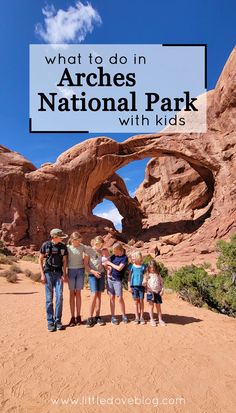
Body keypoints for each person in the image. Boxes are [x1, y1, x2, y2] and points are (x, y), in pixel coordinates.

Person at [39, 228, 68, 332]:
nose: (62, 238)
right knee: (49, 298)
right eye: (61, 236)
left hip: (59, 274)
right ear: (55, 237)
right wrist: (42, 275)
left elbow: (64, 261)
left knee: (59, 297)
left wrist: (64, 274)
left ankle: (58, 320)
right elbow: (40, 259)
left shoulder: (63, 246)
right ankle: (50, 321)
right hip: (48, 274)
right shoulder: (45, 245)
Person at [67, 232, 88, 327]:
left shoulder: (82, 246)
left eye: (79, 240)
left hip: (80, 271)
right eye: (76, 240)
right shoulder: (68, 248)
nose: (78, 242)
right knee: (72, 293)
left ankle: (78, 316)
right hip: (71, 271)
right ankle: (72, 317)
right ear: (72, 240)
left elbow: (91, 252)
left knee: (78, 293)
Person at [104, 242, 128, 325]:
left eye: (114, 251)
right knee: (112, 297)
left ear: (119, 250)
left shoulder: (124, 258)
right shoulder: (113, 256)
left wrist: (110, 263)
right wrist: (107, 268)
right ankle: (113, 316)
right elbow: (106, 262)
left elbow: (119, 268)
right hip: (110, 279)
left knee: (120, 298)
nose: (113, 252)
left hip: (117, 280)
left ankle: (124, 315)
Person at [85, 236, 106, 328]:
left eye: (101, 244)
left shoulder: (101, 252)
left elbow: (103, 263)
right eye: (98, 244)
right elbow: (85, 264)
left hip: (101, 274)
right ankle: (90, 317)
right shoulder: (89, 251)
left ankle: (97, 316)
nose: (99, 246)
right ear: (94, 243)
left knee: (99, 295)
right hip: (92, 275)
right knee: (93, 294)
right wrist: (93, 272)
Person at [143, 260, 166, 327]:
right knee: (151, 306)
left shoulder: (158, 275)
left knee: (158, 306)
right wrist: (144, 283)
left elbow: (162, 284)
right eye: (150, 268)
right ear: (148, 268)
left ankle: (160, 319)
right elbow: (143, 282)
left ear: (155, 267)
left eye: (153, 267)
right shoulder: (147, 275)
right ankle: (152, 319)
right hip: (150, 293)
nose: (152, 269)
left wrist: (162, 290)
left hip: (157, 293)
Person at [128, 251, 146, 325]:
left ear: (138, 257)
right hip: (134, 286)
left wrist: (145, 280)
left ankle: (141, 317)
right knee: (136, 302)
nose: (132, 259)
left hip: (141, 286)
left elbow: (145, 275)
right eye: (132, 258)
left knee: (141, 301)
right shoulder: (131, 266)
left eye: (133, 257)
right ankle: (136, 317)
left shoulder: (143, 266)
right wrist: (129, 286)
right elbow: (129, 277)